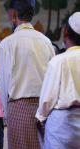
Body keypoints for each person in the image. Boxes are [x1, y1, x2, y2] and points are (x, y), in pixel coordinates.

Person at [0, 0, 55, 148]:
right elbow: (53, 80)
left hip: (18, 108)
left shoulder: (7, 43)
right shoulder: (46, 41)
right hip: (44, 109)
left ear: (14, 15)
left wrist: (5, 115)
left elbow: (3, 83)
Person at [35, 12, 80, 149]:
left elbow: (47, 99)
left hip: (62, 127)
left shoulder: (59, 61)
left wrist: (40, 117)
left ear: (66, 32)